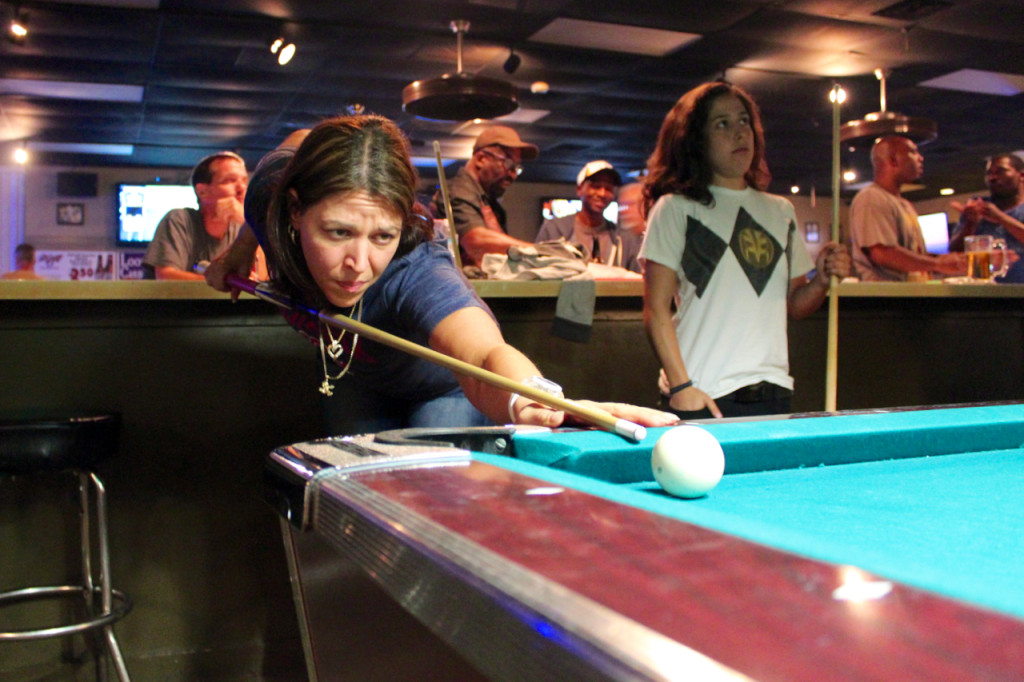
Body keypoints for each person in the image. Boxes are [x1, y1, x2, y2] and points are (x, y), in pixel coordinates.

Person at [206, 115, 675, 436]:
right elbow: (298, 140)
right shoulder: (269, 192)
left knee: (430, 494)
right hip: (352, 374)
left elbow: (486, 355)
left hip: (441, 388)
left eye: (382, 236)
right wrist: (239, 252)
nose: (359, 263)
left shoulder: (417, 268)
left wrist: (536, 401)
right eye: (337, 231)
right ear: (293, 211)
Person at [641, 81, 851, 420]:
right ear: (695, 139)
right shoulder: (677, 209)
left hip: (775, 389)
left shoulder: (780, 210)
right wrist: (682, 388)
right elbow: (656, 310)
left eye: (743, 121)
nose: (740, 133)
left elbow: (795, 304)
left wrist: (822, 281)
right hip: (704, 392)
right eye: (722, 124)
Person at [849, 136, 965, 281]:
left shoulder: (905, 204)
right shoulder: (871, 198)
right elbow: (881, 253)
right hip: (884, 298)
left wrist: (951, 262)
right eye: (913, 152)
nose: (920, 158)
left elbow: (915, 256)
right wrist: (938, 264)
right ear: (893, 160)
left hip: (910, 294)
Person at [143, 150, 260, 280]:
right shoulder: (179, 218)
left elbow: (262, 277)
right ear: (202, 191)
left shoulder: (241, 225)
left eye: (244, 180)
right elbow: (166, 276)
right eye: (230, 180)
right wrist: (228, 282)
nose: (242, 188)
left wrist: (248, 223)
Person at [433, 126, 539, 267]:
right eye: (508, 164)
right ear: (481, 159)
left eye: (517, 168)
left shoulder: (488, 200)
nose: (512, 174)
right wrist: (540, 251)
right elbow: (476, 241)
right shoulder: (457, 191)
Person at [948, 153, 1024, 283]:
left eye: (1001, 171)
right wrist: (970, 224)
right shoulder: (977, 207)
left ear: (1021, 175)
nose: (992, 178)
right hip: (984, 291)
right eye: (989, 173)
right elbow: (955, 252)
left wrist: (1000, 217)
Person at [535, 160, 623, 265]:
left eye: (608, 189)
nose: (602, 193)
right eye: (596, 186)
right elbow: (538, 269)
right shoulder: (555, 229)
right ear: (580, 189)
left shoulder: (621, 238)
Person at [616, 182, 646, 273]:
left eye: (630, 204)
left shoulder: (661, 240)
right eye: (622, 206)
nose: (624, 211)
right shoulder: (619, 242)